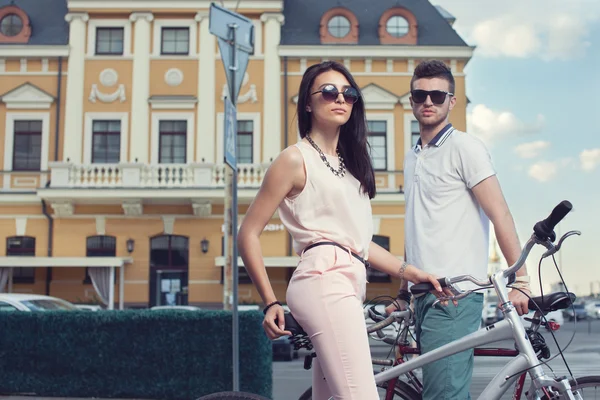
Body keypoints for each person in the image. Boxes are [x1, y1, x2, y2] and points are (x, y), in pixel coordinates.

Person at [238, 61, 446, 400]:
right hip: (323, 281)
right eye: (329, 92)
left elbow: (360, 244)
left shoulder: (352, 168)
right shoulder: (294, 159)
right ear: (307, 102)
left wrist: (412, 272)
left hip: (348, 285)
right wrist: (269, 301)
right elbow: (247, 233)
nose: (341, 99)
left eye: (349, 94)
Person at [385, 60, 531, 400]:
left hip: (453, 296)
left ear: (452, 100)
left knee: (444, 396)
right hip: (422, 296)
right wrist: (404, 290)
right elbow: (417, 227)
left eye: (437, 95)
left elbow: (501, 214)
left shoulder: (465, 148)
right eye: (420, 95)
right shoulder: (413, 157)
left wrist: (521, 280)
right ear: (411, 101)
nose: (428, 102)